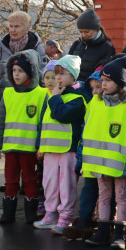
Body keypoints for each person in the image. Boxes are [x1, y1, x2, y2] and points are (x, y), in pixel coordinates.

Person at [81, 55, 126, 250]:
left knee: (122, 198)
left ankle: (119, 234)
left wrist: (124, 155)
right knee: (104, 196)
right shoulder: (96, 102)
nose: (104, 84)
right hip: (100, 162)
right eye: (103, 80)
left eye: (108, 80)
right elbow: (88, 127)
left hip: (120, 162)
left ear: (120, 82)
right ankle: (102, 232)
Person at [0, 49, 47, 225]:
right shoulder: (8, 93)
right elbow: (0, 120)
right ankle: (8, 213)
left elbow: (43, 124)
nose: (16, 74)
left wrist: (40, 146)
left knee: (30, 180)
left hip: (29, 148)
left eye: (21, 71)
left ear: (31, 71)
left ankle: (30, 214)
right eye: (14, 71)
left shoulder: (41, 94)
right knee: (10, 180)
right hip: (10, 147)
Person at [36, 54, 86, 234]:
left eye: (63, 73)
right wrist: (40, 146)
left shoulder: (77, 99)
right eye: (56, 73)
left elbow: (62, 115)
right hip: (50, 149)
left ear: (73, 77)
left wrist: (55, 98)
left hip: (67, 149)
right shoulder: (53, 97)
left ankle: (66, 216)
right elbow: (44, 123)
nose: (58, 77)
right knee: (49, 183)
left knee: (66, 185)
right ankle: (50, 214)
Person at [62, 66, 105, 241]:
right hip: (90, 159)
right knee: (88, 191)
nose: (95, 92)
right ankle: (84, 221)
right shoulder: (92, 104)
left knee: (106, 195)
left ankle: (105, 223)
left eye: (98, 88)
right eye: (92, 88)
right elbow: (84, 134)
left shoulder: (113, 106)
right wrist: (80, 160)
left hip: (107, 160)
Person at [0, 11, 47, 89]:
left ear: (27, 28)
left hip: (27, 94)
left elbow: (42, 74)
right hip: (3, 94)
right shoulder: (2, 46)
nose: (13, 30)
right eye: (11, 26)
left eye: (17, 26)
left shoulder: (36, 47)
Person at [67, 8, 116, 81]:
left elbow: (104, 73)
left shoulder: (107, 47)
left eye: (86, 32)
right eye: (81, 32)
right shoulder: (76, 44)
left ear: (96, 29)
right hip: (73, 84)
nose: (83, 35)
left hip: (92, 86)